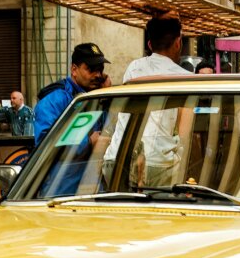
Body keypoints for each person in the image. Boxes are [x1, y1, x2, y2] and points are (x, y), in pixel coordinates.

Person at [121, 16, 194, 187]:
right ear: (178, 42)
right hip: (160, 161)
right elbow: (185, 133)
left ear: (150, 45)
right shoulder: (185, 78)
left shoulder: (134, 68)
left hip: (121, 157)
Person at [34, 43, 109, 146]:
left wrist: (107, 98)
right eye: (91, 69)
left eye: (100, 70)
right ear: (74, 70)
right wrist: (88, 143)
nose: (98, 75)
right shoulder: (55, 99)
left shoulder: (96, 97)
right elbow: (45, 143)